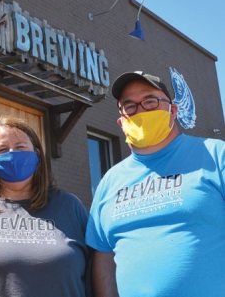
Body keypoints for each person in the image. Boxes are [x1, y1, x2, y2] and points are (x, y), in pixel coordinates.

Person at [85, 71, 225, 297]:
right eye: (129, 106)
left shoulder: (217, 155)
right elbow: (104, 258)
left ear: (173, 110)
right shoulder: (109, 181)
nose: (140, 110)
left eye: (150, 101)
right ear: (121, 122)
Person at [0, 117, 92, 297]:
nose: (12, 153)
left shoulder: (70, 207)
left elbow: (97, 272)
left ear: (37, 154)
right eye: (2, 149)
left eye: (21, 146)